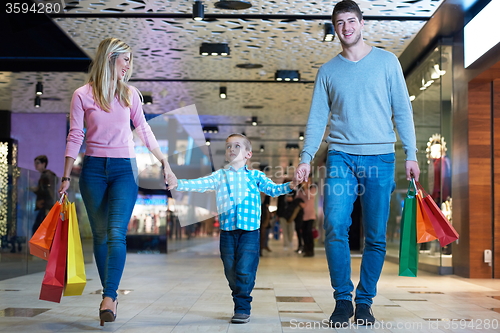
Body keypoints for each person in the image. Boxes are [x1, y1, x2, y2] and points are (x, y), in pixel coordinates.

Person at [294, 0, 420, 327]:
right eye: (340, 23)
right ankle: (341, 300)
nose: (346, 28)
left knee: (376, 235)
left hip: (381, 155)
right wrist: (306, 158)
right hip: (341, 156)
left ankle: (364, 301)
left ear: (362, 23)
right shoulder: (328, 71)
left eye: (352, 21)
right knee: (335, 225)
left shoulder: (387, 62)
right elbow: (317, 119)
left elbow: (402, 111)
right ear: (334, 28)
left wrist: (412, 153)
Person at [58, 37, 177, 327]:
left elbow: (145, 131)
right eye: (126, 59)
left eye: (130, 61)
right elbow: (76, 135)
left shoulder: (130, 94)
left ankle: (109, 296)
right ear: (111, 57)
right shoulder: (82, 95)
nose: (129, 66)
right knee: (100, 236)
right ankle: (109, 294)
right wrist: (64, 175)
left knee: (115, 232)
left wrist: (165, 161)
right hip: (93, 169)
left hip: (125, 169)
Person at [172, 133, 298, 324]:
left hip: (250, 231)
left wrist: (291, 185)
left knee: (245, 269)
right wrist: (178, 184)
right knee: (230, 270)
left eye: (237, 146)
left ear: (248, 154)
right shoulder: (220, 176)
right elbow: (200, 184)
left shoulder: (255, 176)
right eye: (229, 146)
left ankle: (242, 307)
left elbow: (273, 189)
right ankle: (239, 292)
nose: (232, 149)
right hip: (228, 231)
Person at [31, 155, 57, 236]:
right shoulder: (47, 175)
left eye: (38, 163)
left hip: (46, 206)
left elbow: (48, 191)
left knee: (38, 228)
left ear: (44, 164)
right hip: (46, 205)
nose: (36, 165)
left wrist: (49, 206)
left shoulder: (46, 175)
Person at [296, 175, 317, 257]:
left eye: (308, 180)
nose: (306, 182)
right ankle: (306, 249)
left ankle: (311, 250)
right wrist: (299, 203)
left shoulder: (313, 189)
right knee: (304, 233)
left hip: (310, 215)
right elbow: (296, 199)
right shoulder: (300, 190)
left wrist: (305, 188)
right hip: (302, 215)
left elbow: (310, 196)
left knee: (309, 232)